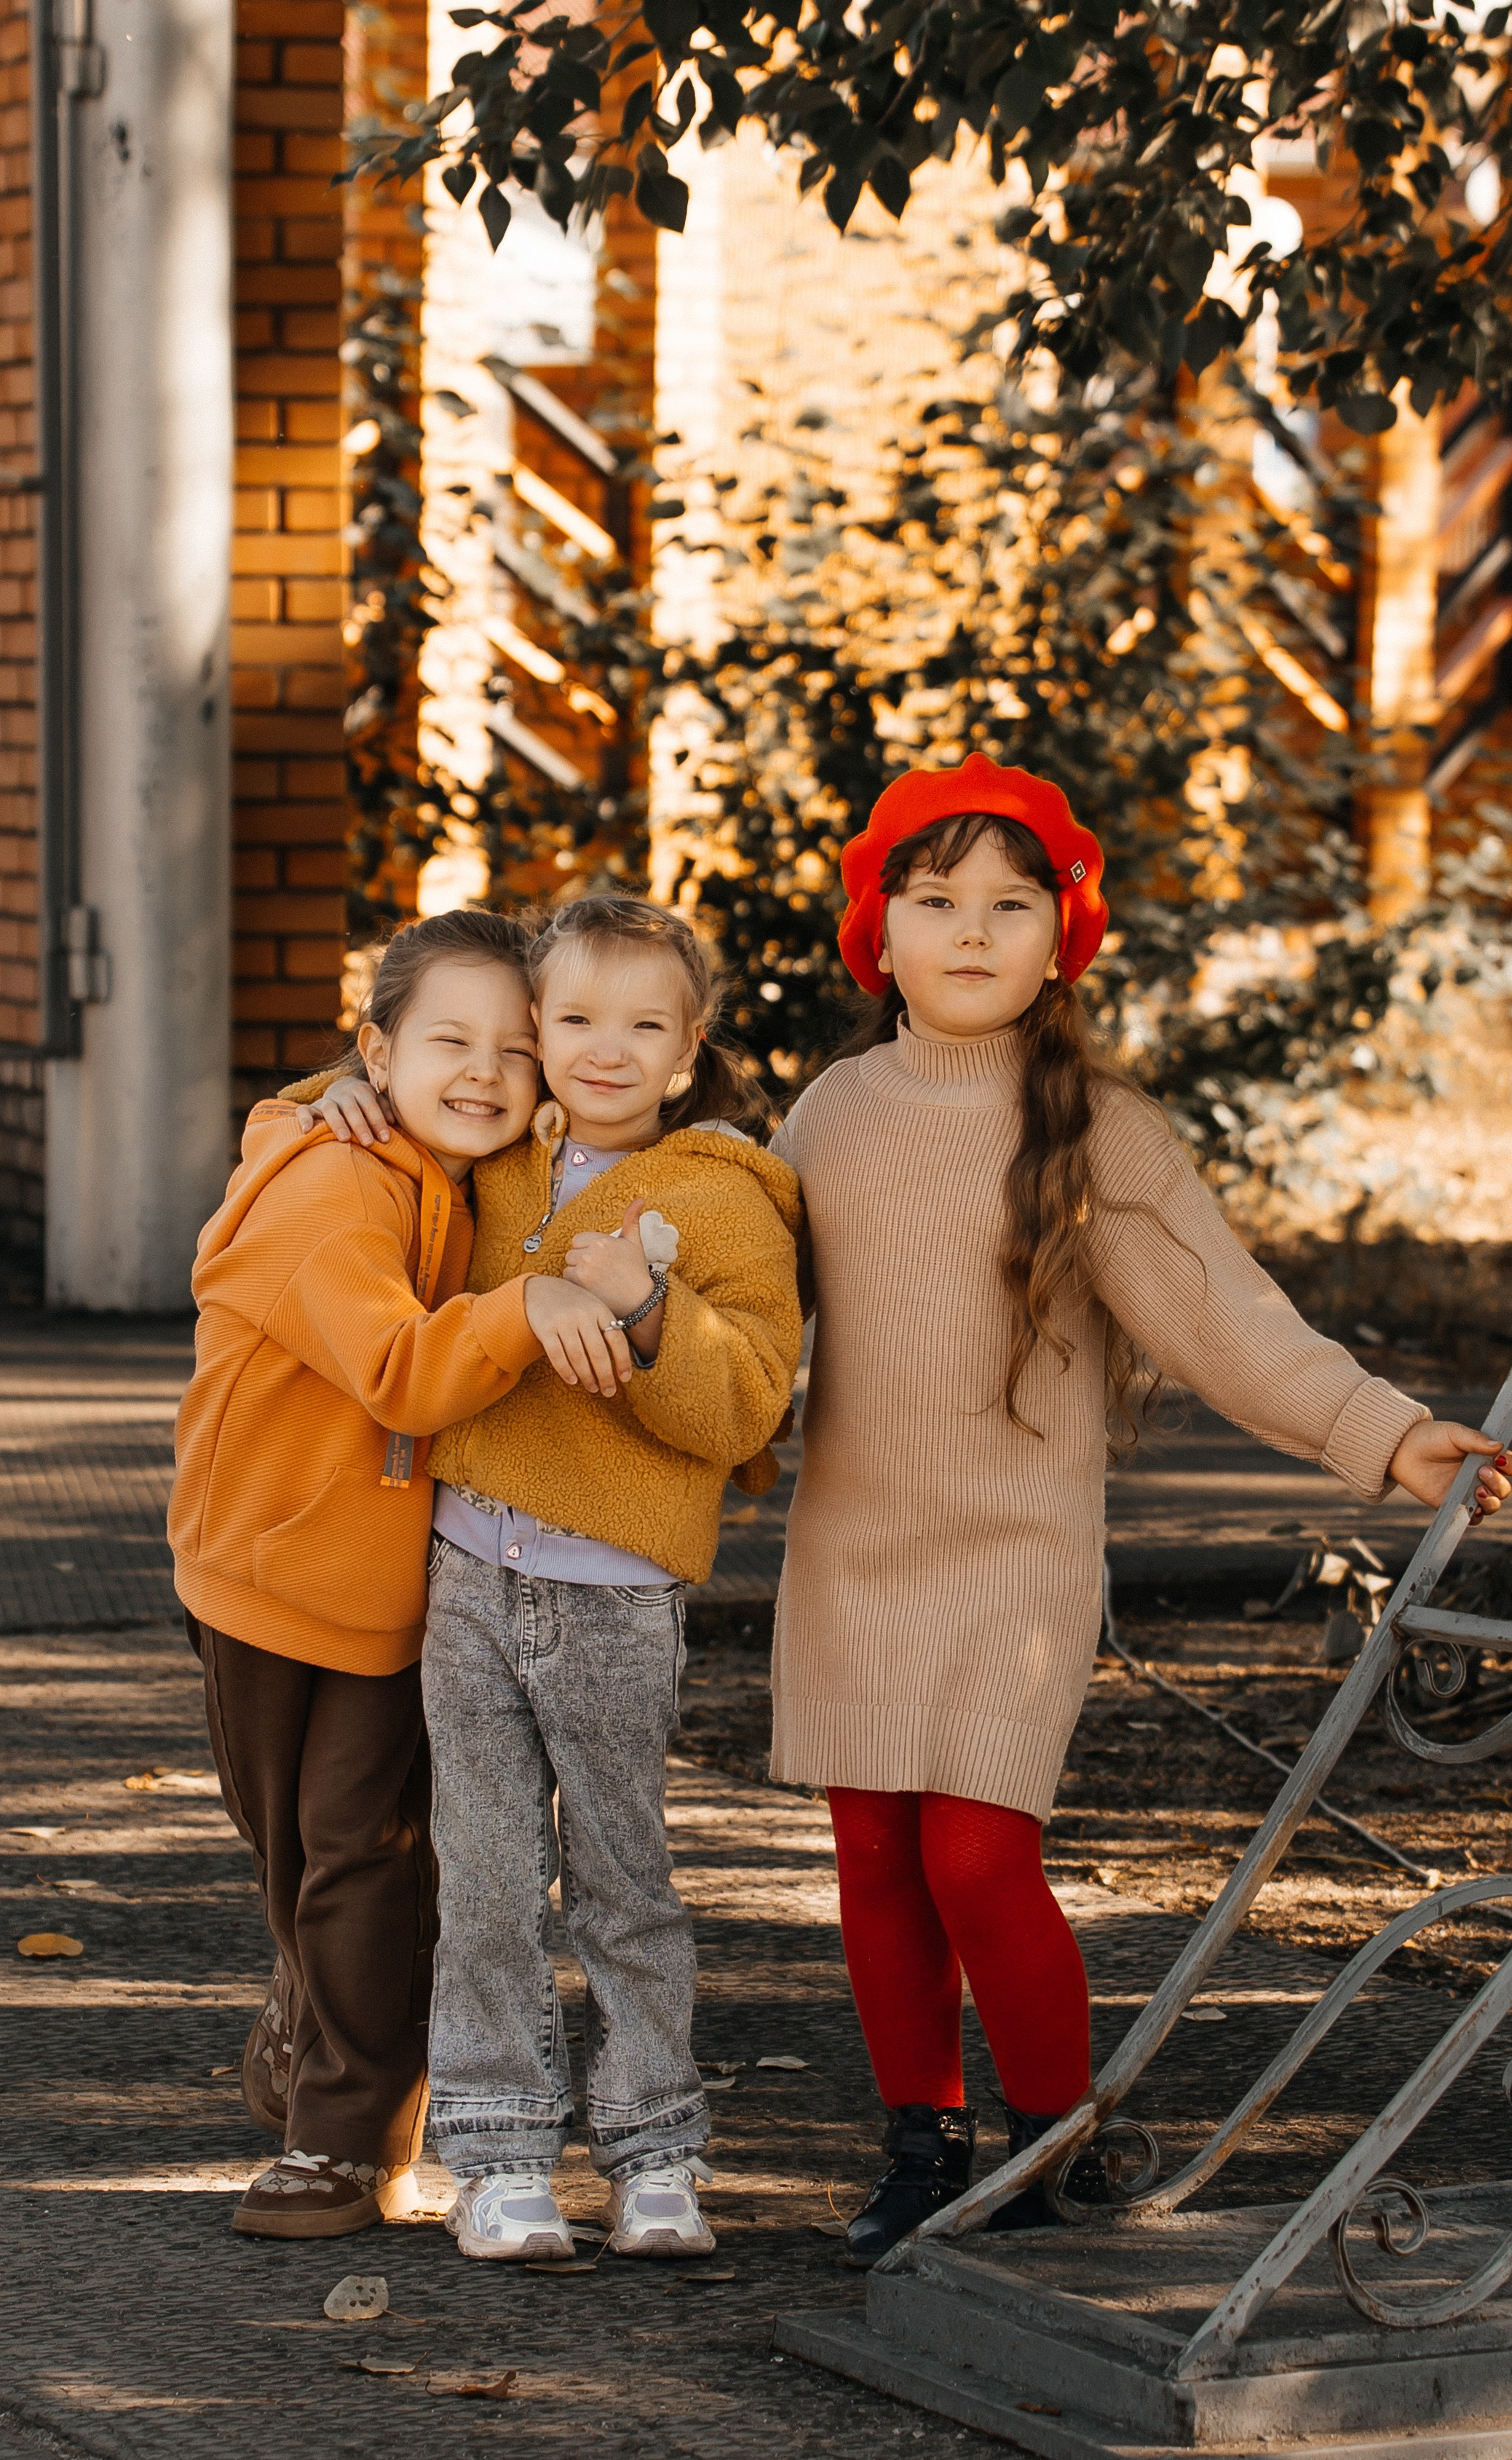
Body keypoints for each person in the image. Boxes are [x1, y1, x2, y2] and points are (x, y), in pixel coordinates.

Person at [765, 756, 1511, 2265]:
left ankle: (1054, 2147)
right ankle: (921, 2148)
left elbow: (1226, 1318)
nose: (972, 932)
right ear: (878, 931)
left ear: (1063, 937)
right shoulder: (830, 1113)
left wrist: (1383, 1432)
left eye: (1010, 904)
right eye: (935, 901)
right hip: (851, 1553)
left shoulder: (1094, 1127)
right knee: (877, 1865)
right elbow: (745, 1312)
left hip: (1014, 1562)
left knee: (976, 1861)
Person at [289, 896, 803, 2261]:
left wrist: (649, 1306)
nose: (605, 1049)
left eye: (644, 1025)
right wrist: (331, 1092)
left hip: (615, 1598)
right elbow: (367, 1092)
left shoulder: (730, 1199)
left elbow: (747, 1408)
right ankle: (501, 2155)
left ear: (690, 1048)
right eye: (573, 1019)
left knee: (625, 1883)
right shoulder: (496, 1159)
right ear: (539, 1030)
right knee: (485, 1882)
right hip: (468, 1573)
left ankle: (655, 2152)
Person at [169, 909, 633, 2240]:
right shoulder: (328, 1185)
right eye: (449, 1043)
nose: (484, 1073)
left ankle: (348, 2134)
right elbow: (397, 1368)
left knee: (361, 1852)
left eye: (515, 1049)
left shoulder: (477, 1172)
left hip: (392, 1592)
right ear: (378, 1052)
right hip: (257, 1574)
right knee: (292, 1852)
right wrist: (531, 1307)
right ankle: (314, 2009)